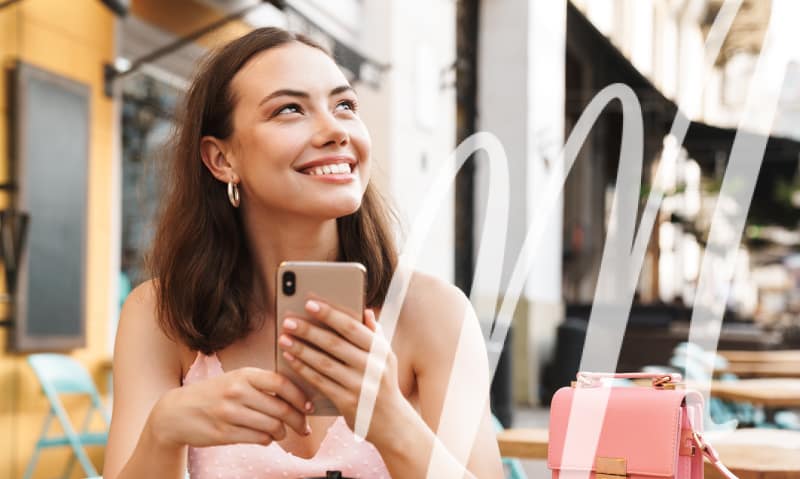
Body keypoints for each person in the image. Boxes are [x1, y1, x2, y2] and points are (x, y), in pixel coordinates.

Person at [103, 27, 503, 479]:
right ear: (221, 159)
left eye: (345, 105)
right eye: (289, 109)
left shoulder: (434, 313)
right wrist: (162, 433)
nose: (335, 130)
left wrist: (391, 421)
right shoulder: (159, 315)